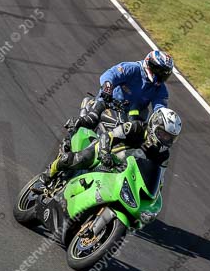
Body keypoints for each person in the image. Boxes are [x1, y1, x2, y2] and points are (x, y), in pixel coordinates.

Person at [41, 106, 182, 185]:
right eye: (163, 134)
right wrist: (104, 153)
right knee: (80, 158)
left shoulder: (164, 155)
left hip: (124, 174)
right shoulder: (135, 127)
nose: (165, 139)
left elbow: (159, 181)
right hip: (108, 153)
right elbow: (109, 136)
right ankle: (49, 173)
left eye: (170, 137)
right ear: (154, 124)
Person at [75, 49, 174, 136]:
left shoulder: (161, 89)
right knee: (90, 120)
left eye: (165, 75)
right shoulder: (132, 68)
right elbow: (110, 74)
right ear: (150, 65)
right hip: (109, 104)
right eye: (160, 72)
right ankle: (71, 135)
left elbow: (160, 109)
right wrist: (107, 88)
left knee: (137, 140)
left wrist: (163, 123)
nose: (161, 77)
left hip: (131, 115)